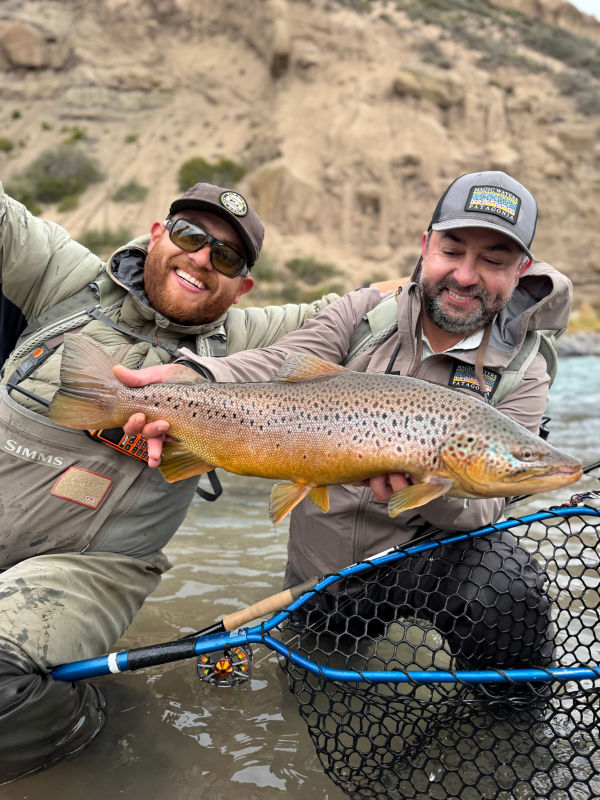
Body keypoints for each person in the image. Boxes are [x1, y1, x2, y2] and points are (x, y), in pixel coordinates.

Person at [121, 171, 573, 674]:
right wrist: (194, 374)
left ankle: (508, 718)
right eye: (452, 251)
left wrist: (430, 486)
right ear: (426, 246)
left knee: (507, 584)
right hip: (321, 571)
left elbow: (484, 511)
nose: (466, 276)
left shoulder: (525, 370)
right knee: (317, 673)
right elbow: (279, 364)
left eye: (493, 261)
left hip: (421, 568)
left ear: (521, 270)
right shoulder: (363, 314)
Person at [0, 180, 341, 783]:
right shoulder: (63, 277)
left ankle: (89, 731)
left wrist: (499, 276)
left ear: (243, 287)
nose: (203, 259)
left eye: (228, 258)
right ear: (158, 234)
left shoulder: (248, 341)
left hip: (92, 566)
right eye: (190, 236)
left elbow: (367, 310)